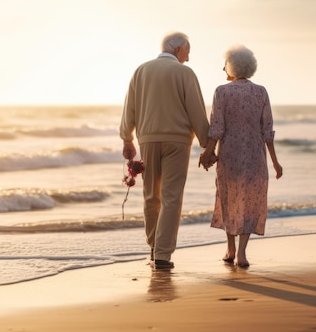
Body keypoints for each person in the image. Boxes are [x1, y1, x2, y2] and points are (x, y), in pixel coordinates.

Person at [120, 31, 211, 270]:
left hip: (148, 140)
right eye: (188, 53)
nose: (188, 58)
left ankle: (153, 246)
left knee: (151, 196)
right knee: (171, 197)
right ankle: (162, 254)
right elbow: (196, 110)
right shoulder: (184, 73)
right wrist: (207, 142)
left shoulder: (141, 71)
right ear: (180, 50)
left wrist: (126, 139)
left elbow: (129, 107)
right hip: (177, 142)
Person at [199, 44, 283, 269]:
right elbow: (268, 131)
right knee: (250, 202)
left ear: (232, 66)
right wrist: (275, 161)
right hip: (255, 156)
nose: (223, 68)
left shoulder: (222, 92)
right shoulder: (261, 92)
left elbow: (216, 129)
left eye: (224, 64)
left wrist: (207, 153)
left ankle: (230, 249)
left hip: (230, 157)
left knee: (229, 200)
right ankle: (242, 253)